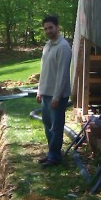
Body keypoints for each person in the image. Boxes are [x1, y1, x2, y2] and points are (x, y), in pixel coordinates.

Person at [36, 14, 72, 167]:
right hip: (46, 93)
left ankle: (55, 157)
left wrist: (57, 97)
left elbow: (62, 74)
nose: (48, 31)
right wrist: (39, 90)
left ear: (57, 27)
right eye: (45, 29)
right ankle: (51, 152)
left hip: (57, 95)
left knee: (56, 127)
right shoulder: (48, 45)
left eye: (50, 27)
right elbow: (44, 70)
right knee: (47, 124)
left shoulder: (63, 47)